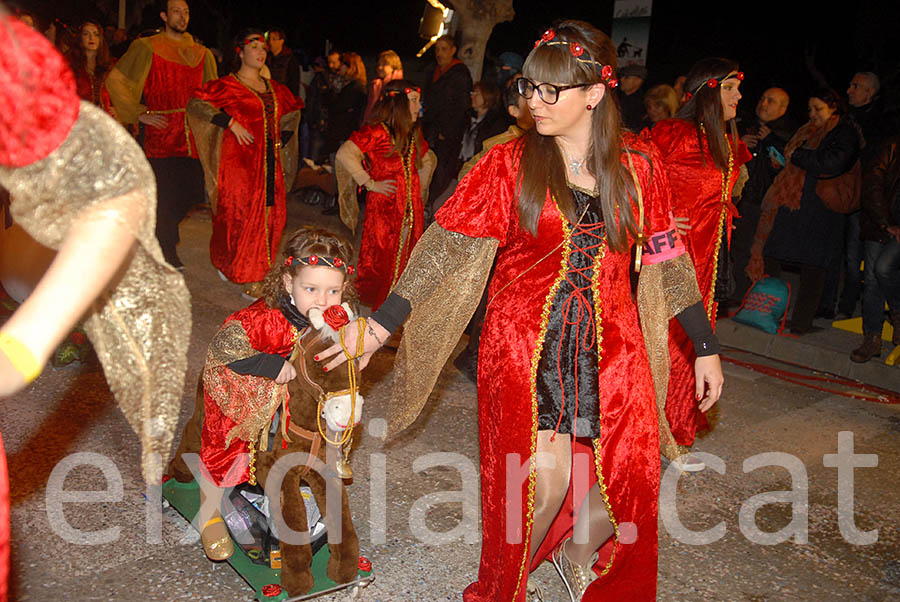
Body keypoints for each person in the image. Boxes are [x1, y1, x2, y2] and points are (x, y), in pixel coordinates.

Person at [321, 20, 723, 601]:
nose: (533, 101)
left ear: (595, 93)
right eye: (528, 88)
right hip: (527, 342)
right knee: (546, 483)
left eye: (549, 91)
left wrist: (705, 347)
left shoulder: (639, 166)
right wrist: (380, 326)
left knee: (637, 479)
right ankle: (501, 587)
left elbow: (669, 260)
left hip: (613, 342)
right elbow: (443, 250)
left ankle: (577, 552)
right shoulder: (506, 165)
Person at [184, 227, 355, 560]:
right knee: (228, 449)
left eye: (333, 291)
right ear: (289, 284)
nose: (322, 300)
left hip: (292, 401)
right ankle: (209, 514)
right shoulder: (263, 320)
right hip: (245, 394)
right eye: (311, 289)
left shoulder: (332, 320)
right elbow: (224, 347)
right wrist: (270, 365)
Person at [650, 58, 751, 457]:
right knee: (660, 339)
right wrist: (659, 213)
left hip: (706, 261)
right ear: (708, 91)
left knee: (690, 343)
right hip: (670, 257)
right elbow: (636, 178)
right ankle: (641, 423)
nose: (739, 96)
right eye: (730, 87)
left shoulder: (726, 142)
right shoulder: (671, 133)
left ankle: (673, 426)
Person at [187, 30, 303, 296]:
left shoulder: (274, 89)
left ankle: (257, 273)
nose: (261, 51)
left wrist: (281, 140)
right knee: (236, 217)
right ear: (240, 51)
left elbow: (292, 113)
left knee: (271, 217)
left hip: (268, 165)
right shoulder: (227, 85)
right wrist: (228, 122)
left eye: (263, 47)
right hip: (238, 164)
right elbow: (196, 104)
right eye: (254, 46)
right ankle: (234, 266)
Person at [104, 0, 217, 270]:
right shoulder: (147, 47)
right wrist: (138, 112)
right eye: (177, 11)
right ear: (165, 16)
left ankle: (157, 237)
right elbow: (116, 80)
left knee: (190, 194)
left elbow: (211, 96)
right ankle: (165, 248)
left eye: (187, 11)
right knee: (164, 195)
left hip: (192, 136)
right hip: (161, 132)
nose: (183, 16)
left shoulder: (203, 54)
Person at [747, 88, 861, 334]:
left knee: (814, 266)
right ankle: (764, 309)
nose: (812, 114)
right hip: (795, 202)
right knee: (773, 252)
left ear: (834, 108)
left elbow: (831, 163)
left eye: (818, 109)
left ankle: (801, 322)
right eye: (810, 109)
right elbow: (794, 157)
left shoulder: (845, 133)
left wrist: (796, 155)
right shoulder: (807, 131)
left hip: (821, 208)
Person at [336, 80, 435, 309]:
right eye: (413, 101)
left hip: (410, 209)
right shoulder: (378, 132)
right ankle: (379, 306)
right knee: (380, 259)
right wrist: (369, 182)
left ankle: (396, 307)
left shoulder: (411, 133)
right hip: (385, 208)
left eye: (418, 101)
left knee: (407, 257)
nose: (418, 107)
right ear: (398, 103)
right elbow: (345, 153)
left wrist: (417, 189)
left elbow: (426, 159)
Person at [730, 87, 797, 303]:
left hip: (769, 203)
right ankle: (733, 296)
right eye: (762, 98)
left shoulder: (788, 134)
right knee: (736, 249)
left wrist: (772, 141)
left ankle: (756, 300)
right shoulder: (743, 124)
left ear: (783, 108)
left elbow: (790, 166)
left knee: (758, 253)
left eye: (771, 101)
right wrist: (738, 144)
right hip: (743, 199)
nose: (764, 104)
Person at [850, 135, 900, 362]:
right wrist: (886, 223)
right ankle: (872, 338)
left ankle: (897, 314)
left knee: (883, 268)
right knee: (871, 280)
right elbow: (873, 183)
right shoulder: (891, 146)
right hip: (880, 223)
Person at [422, 34, 473, 213]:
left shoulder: (459, 74)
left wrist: (447, 130)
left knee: (442, 169)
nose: (439, 53)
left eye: (444, 49)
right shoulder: (435, 71)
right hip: (432, 129)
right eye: (437, 49)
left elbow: (460, 107)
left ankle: (434, 204)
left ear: (453, 51)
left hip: (447, 132)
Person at [458, 80, 510, 167]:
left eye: (477, 93)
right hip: (458, 165)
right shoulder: (467, 117)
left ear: (487, 96)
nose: (472, 96)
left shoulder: (495, 124)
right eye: (472, 93)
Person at [66, 20, 114, 109]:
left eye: (96, 34)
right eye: (86, 34)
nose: (91, 38)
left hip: (103, 119)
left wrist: (117, 110)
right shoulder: (72, 65)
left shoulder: (108, 66)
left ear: (100, 39)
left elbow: (120, 93)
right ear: (80, 38)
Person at [362, 50, 404, 125]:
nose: (380, 67)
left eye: (384, 64)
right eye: (379, 64)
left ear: (393, 66)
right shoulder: (376, 86)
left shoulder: (398, 87)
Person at [616, 64, 648, 131]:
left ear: (638, 81)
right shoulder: (615, 95)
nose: (621, 79)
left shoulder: (644, 104)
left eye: (626, 77)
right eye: (621, 76)